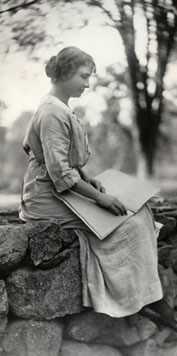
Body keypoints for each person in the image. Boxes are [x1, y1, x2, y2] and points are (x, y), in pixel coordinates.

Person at [19, 46, 177, 331]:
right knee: (126, 223)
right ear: (65, 72)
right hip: (47, 199)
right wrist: (100, 199)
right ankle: (136, 298)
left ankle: (147, 294)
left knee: (140, 212)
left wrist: (88, 179)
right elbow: (58, 173)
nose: (87, 84)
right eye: (83, 76)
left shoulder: (60, 107)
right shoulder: (52, 112)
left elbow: (65, 163)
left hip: (61, 189)